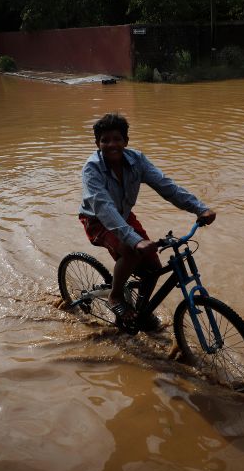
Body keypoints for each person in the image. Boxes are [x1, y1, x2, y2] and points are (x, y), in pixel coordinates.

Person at [78, 113, 216, 330]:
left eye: (117, 139)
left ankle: (141, 311)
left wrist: (200, 208)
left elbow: (166, 187)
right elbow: (103, 207)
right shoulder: (92, 169)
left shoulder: (137, 160)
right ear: (98, 144)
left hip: (123, 216)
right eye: (105, 140)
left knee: (153, 267)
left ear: (126, 141)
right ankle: (115, 297)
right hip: (97, 220)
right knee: (132, 250)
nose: (111, 144)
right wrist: (134, 240)